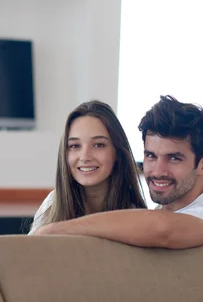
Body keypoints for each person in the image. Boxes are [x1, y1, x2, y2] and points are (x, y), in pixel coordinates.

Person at [32, 95, 203, 248]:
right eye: (151, 156)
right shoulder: (158, 212)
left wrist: (56, 230)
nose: (158, 171)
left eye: (174, 158)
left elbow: (162, 230)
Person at [28, 100, 147, 235]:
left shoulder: (135, 216)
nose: (85, 157)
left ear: (118, 152)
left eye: (98, 145)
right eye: (74, 146)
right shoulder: (52, 203)